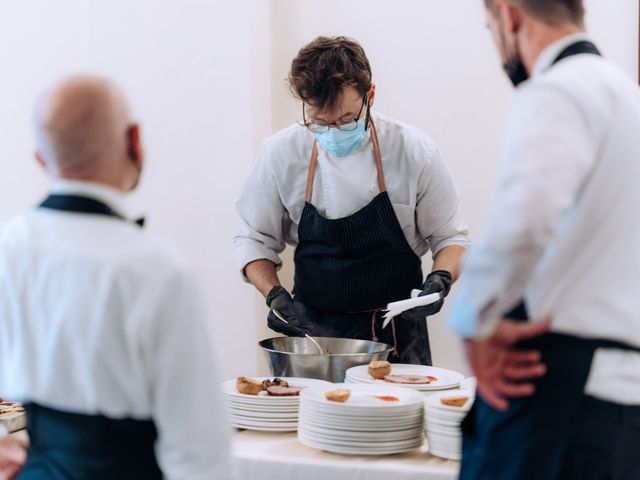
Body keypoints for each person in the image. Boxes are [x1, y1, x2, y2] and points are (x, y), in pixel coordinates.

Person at [0, 75, 233, 479]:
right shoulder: (159, 271)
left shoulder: (7, 247)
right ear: (134, 141)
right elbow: (199, 454)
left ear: (41, 159)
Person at [448, 0, 640, 478]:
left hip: (556, 395)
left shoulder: (557, 91)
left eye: (491, 27)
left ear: (510, 17)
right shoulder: (630, 98)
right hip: (623, 403)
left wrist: (475, 320)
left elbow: (525, 221)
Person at [235, 36, 470, 365]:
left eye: (345, 121)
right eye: (319, 122)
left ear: (370, 96)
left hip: (398, 334)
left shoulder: (415, 152)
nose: (332, 131)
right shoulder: (281, 154)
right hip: (314, 338)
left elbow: (451, 238)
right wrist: (274, 294)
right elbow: (253, 239)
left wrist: (440, 278)